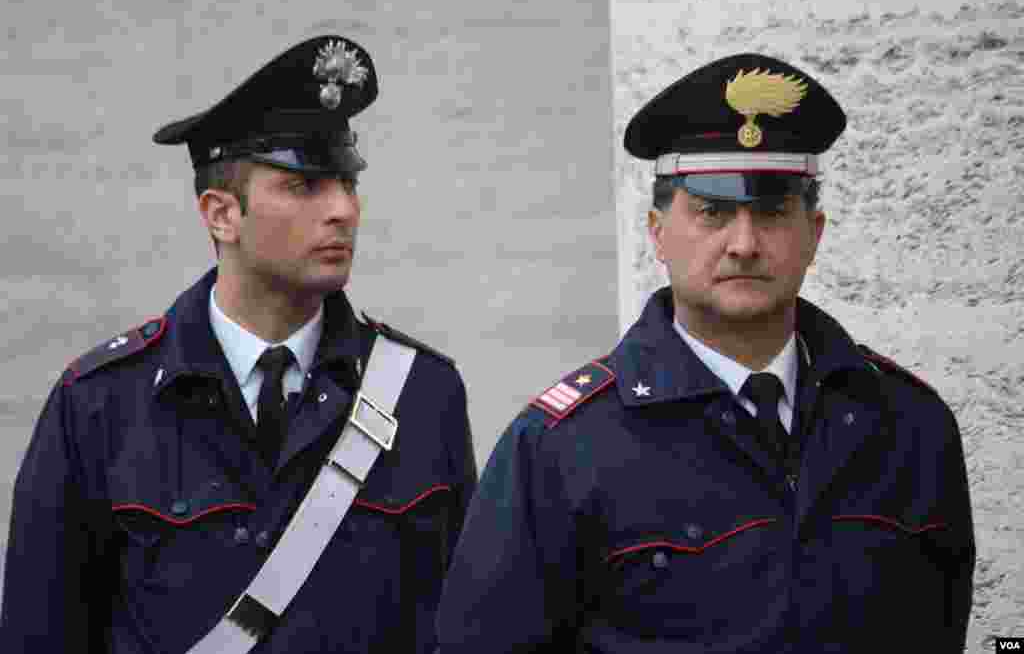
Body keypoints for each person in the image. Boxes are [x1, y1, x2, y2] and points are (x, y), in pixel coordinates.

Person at [436, 53, 974, 652]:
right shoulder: (559, 449)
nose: (743, 244)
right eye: (713, 212)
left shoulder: (908, 427)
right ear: (658, 233)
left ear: (814, 234)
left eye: (771, 212)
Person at [1, 35, 477, 653]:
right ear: (221, 214)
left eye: (347, 183)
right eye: (304, 186)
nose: (343, 211)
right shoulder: (100, 405)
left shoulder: (422, 395)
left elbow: (464, 629)